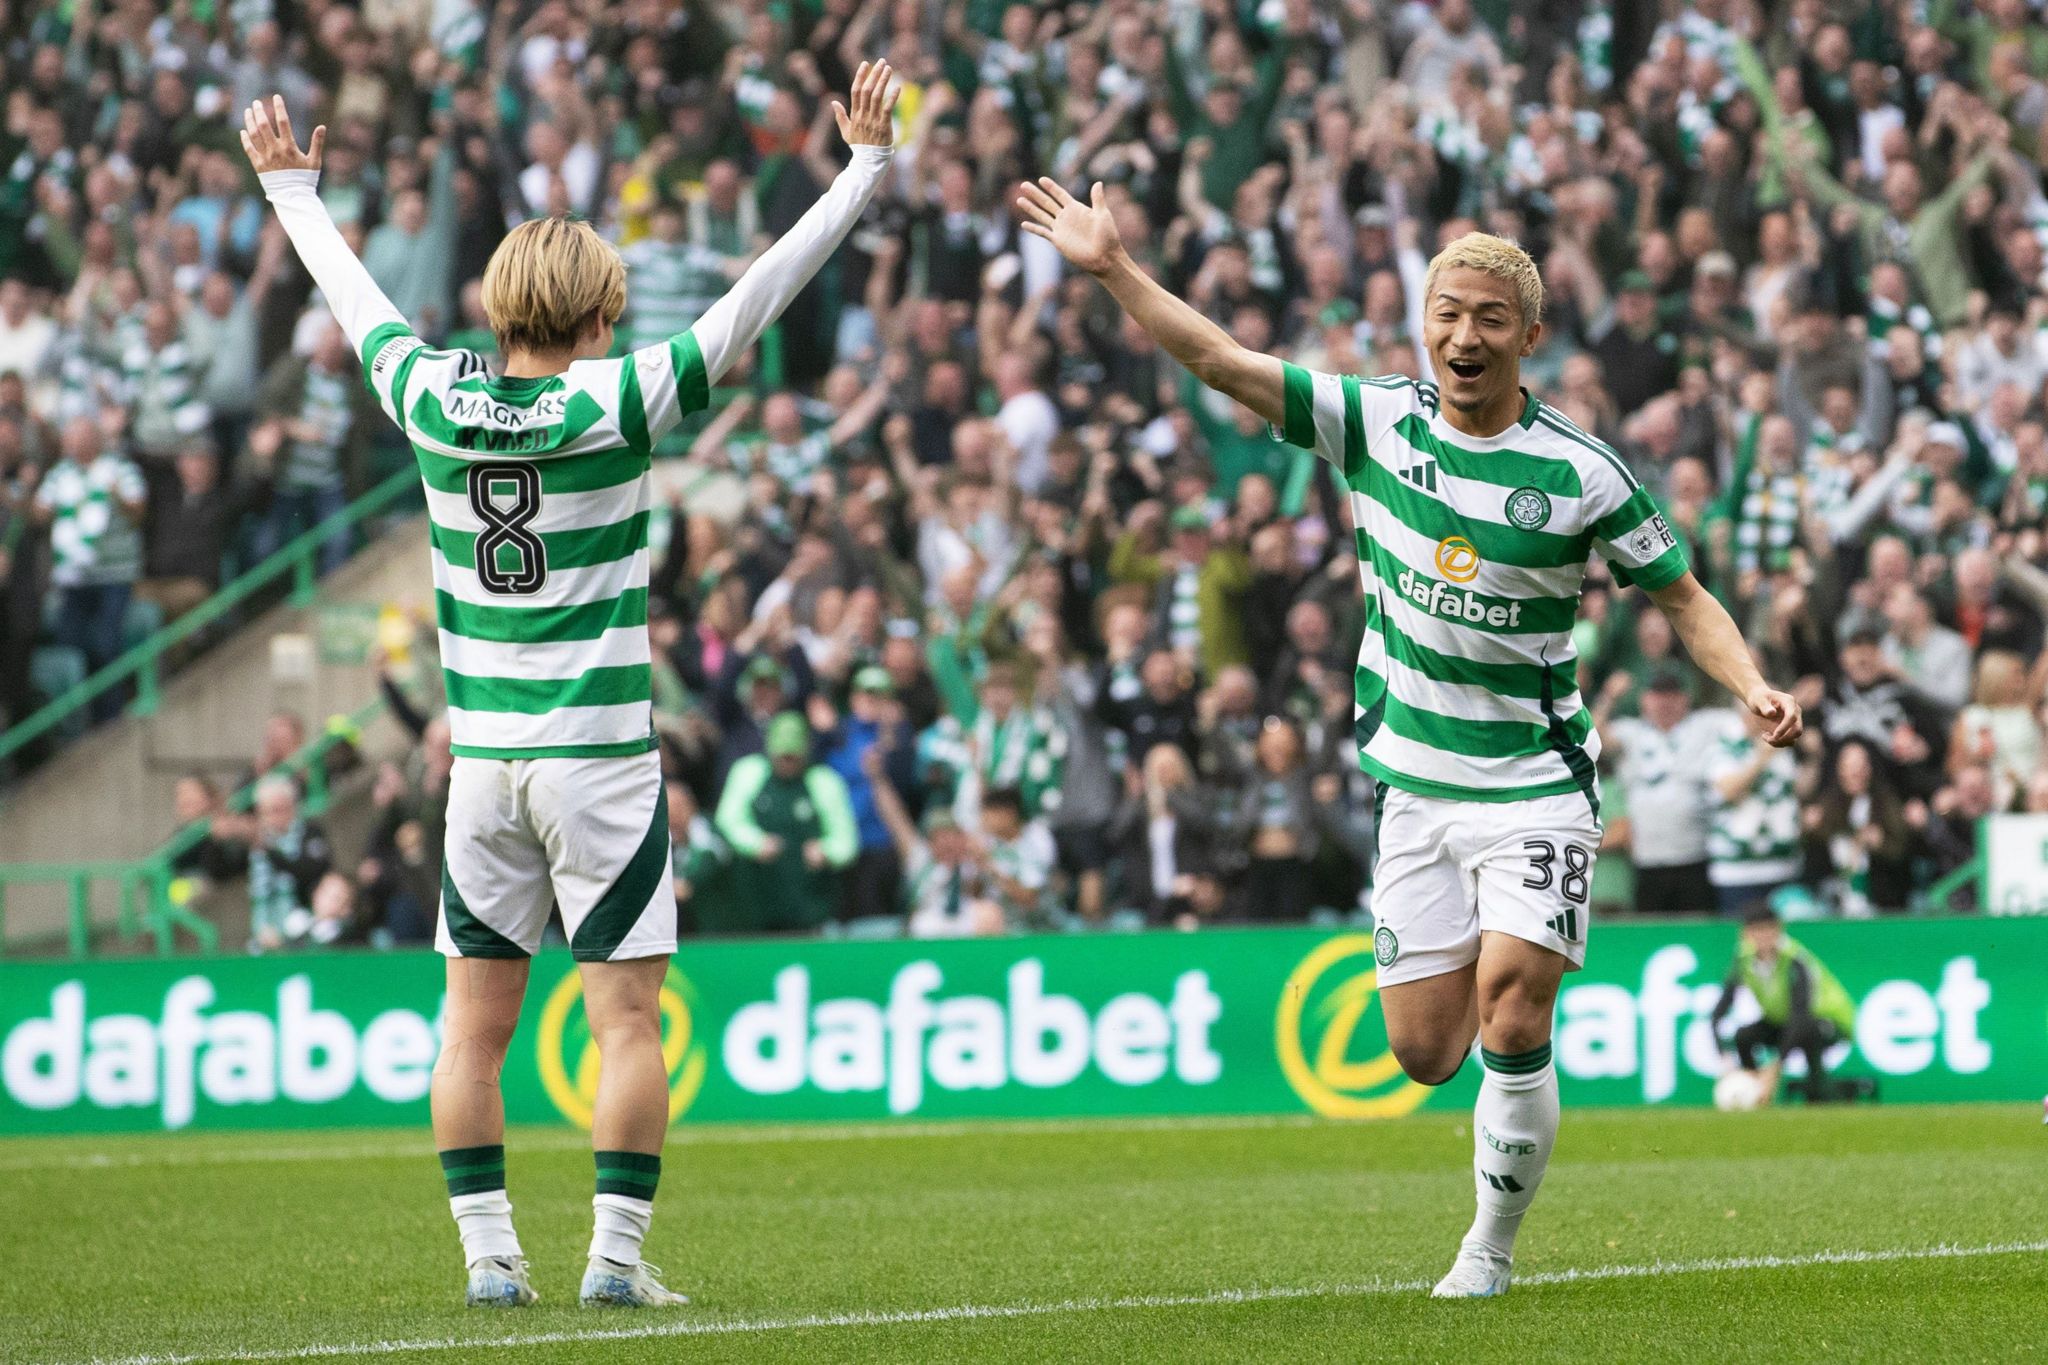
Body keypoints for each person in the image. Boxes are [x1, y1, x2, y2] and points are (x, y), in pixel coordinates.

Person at [1015, 184, 1802, 1298]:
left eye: (1487, 318)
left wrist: (1752, 685)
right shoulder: (1371, 421)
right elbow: (1226, 362)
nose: (1461, 335)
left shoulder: (1580, 473)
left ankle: (1486, 1249)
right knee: (1423, 1051)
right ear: (1421, 322)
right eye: (1445, 312)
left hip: (1534, 783)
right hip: (1414, 791)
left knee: (1516, 998)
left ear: (1527, 337)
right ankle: (1490, 1082)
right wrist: (1112, 272)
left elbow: (1681, 598)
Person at [243, 63, 898, 1310]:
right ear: (599, 313)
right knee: (626, 1027)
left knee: (470, 1033)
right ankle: (612, 1259)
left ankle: (491, 1257)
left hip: (478, 764)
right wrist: (860, 173)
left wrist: (291, 193)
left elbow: (356, 297)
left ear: (497, 310)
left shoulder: (432, 393)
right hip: (599, 758)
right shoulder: (618, 399)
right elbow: (754, 300)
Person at [1709, 907, 1868, 1104]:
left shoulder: (1795, 959)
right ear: (1745, 934)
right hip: (1785, 1021)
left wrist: (1776, 1068)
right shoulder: (1743, 959)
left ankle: (1820, 1091)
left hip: (1830, 1022)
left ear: (1779, 930)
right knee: (1744, 1036)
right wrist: (1724, 1060)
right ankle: (1755, 1090)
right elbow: (1717, 1013)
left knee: (1807, 1030)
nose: (1763, 937)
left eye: (1769, 930)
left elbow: (1800, 1014)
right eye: (1757, 931)